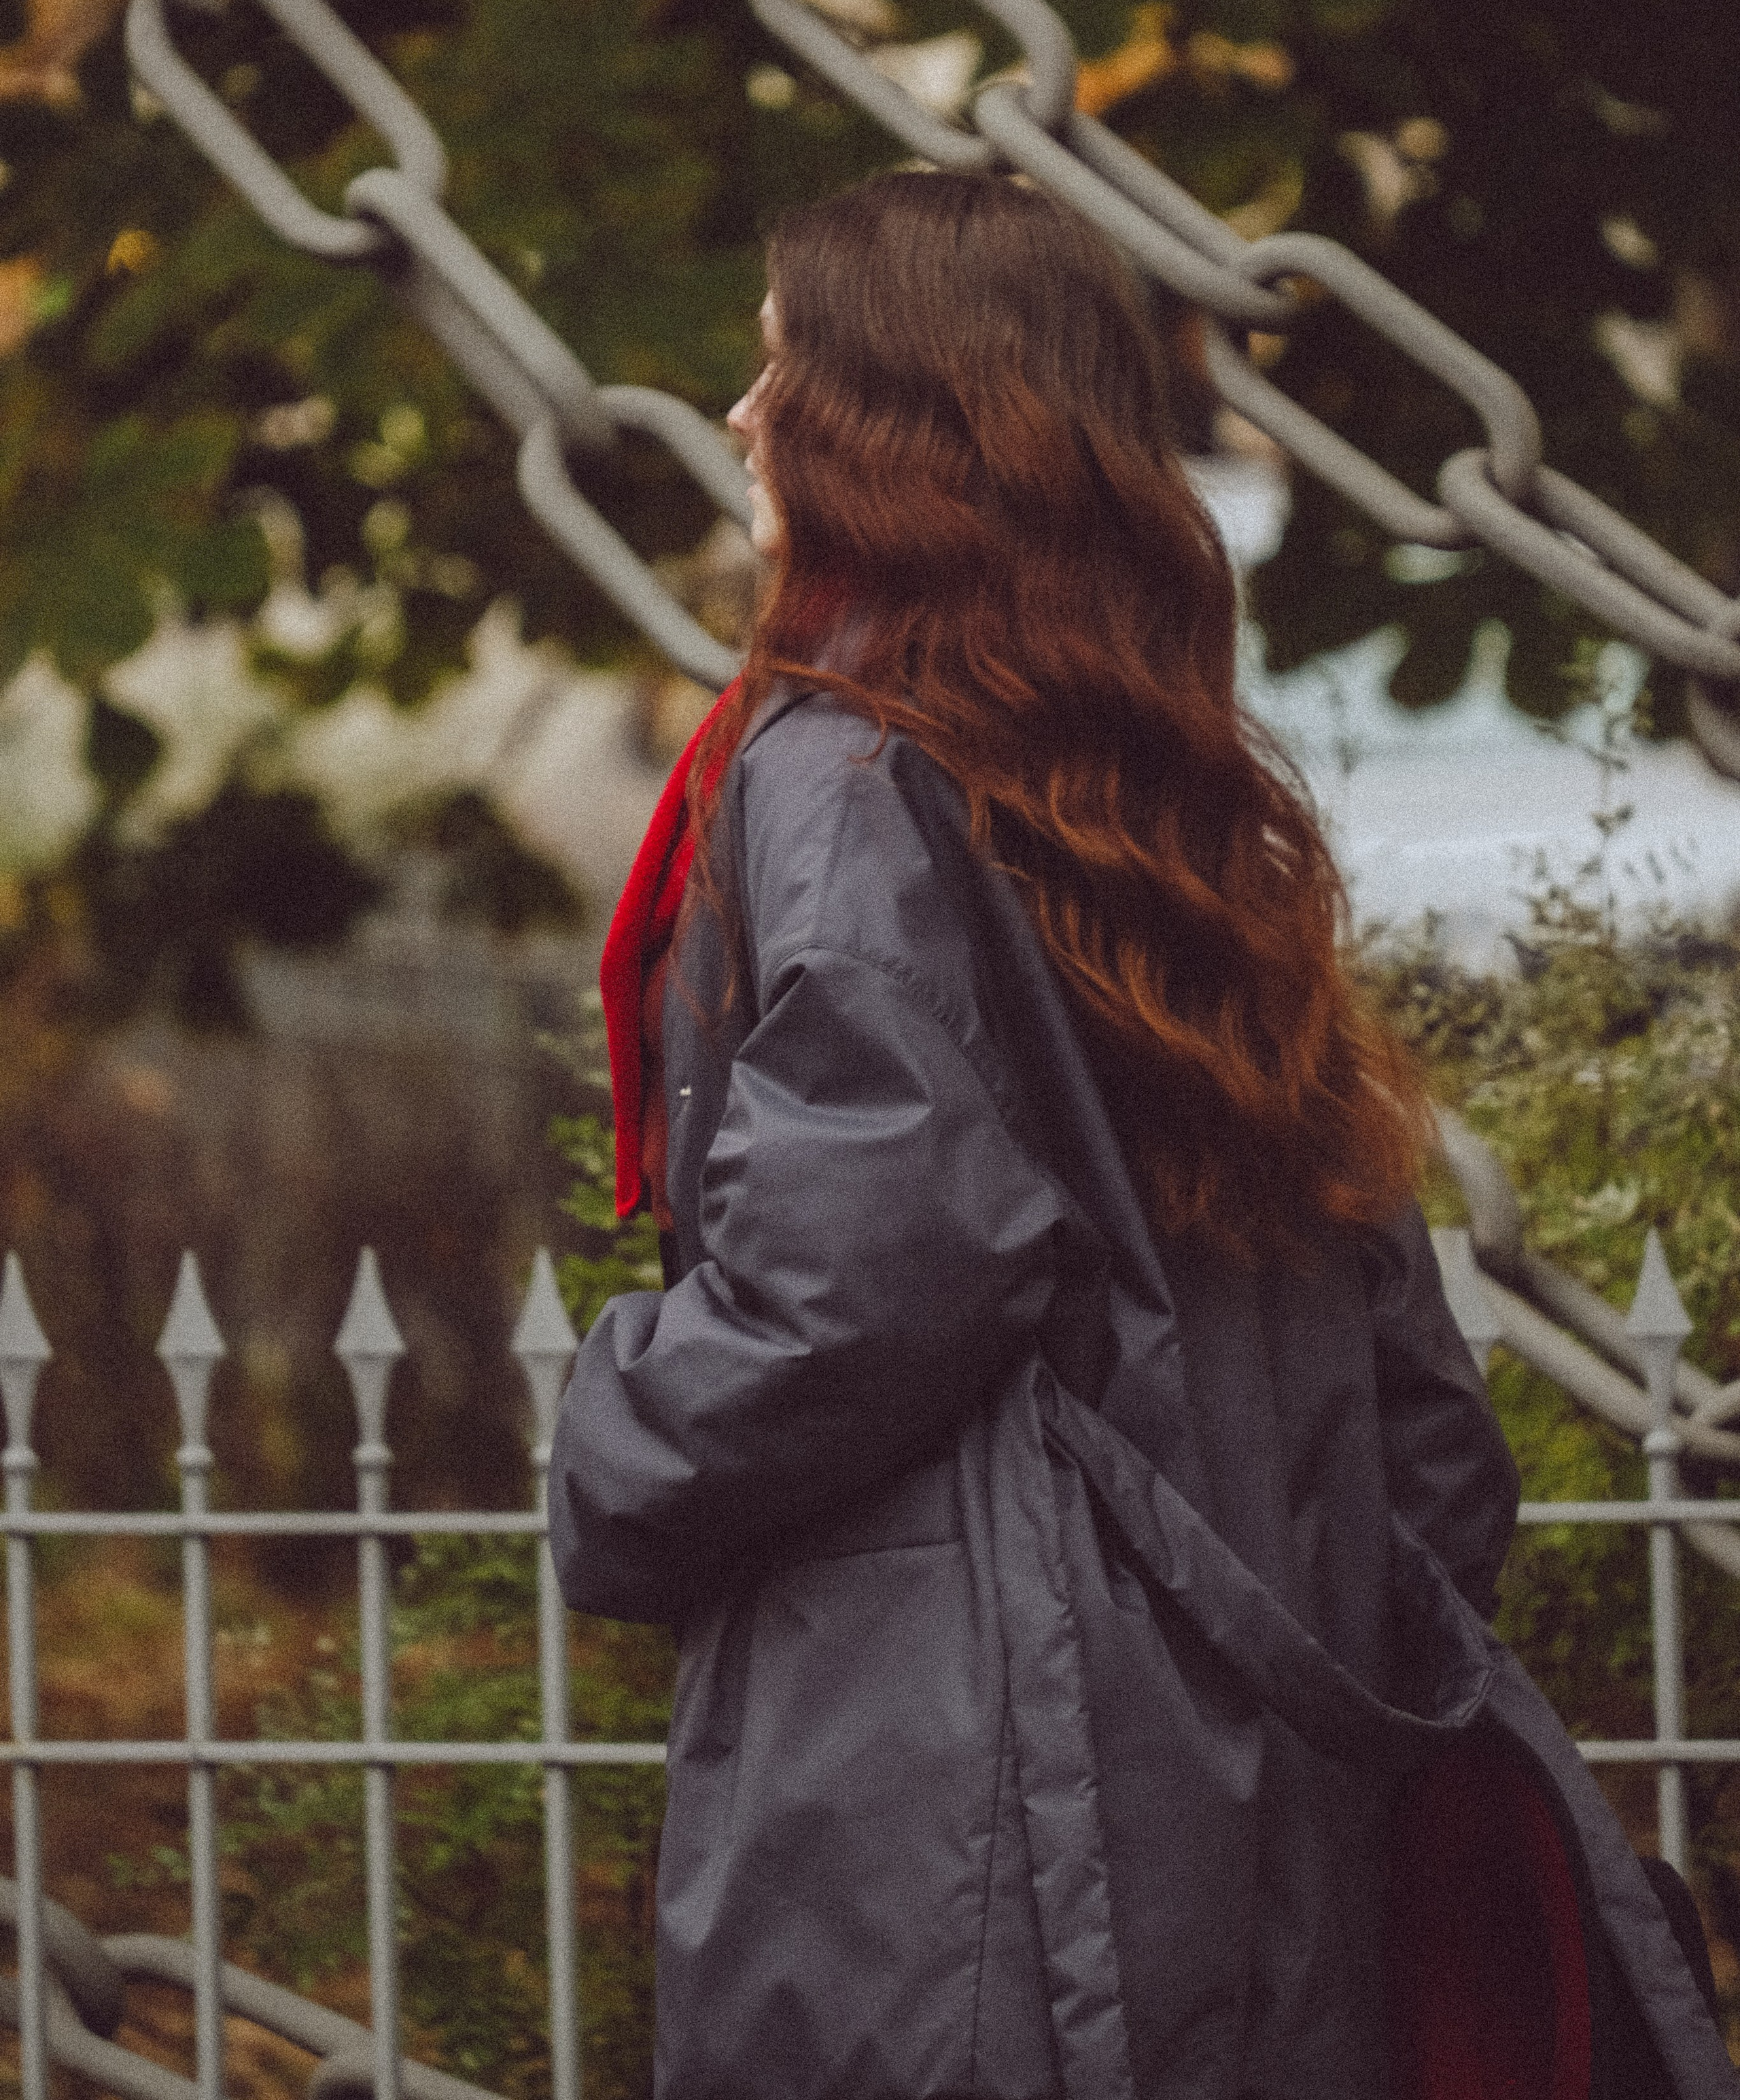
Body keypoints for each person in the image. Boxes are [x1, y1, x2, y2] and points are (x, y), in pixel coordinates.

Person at [549, 172, 1735, 2100]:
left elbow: (867, 1265)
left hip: (954, 1819)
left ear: (903, 425)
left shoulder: (841, 771)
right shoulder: (1179, 821)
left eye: (785, 373)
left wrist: (614, 1445)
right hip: (1253, 1809)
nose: (747, 419)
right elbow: (1425, 1428)